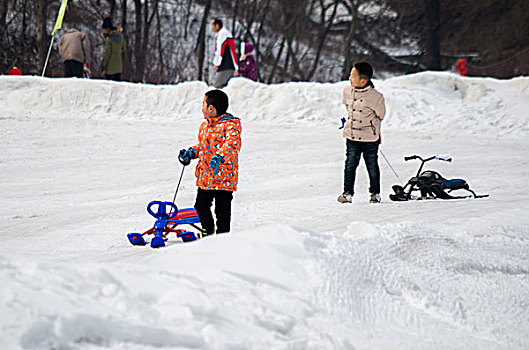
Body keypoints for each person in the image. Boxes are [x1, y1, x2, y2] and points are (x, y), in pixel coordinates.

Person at [178, 90, 242, 235]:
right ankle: (208, 230)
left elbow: (232, 144)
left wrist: (219, 156)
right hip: (206, 177)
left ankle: (223, 236)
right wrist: (191, 152)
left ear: (211, 108)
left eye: (203, 105)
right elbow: (203, 147)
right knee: (200, 206)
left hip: (224, 178)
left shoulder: (231, 125)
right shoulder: (205, 127)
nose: (202, 108)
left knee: (222, 211)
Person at [338, 62, 386, 204]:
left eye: (353, 75)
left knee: (371, 165)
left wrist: (370, 126)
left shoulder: (376, 97)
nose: (349, 78)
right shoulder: (347, 91)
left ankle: (375, 193)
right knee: (350, 164)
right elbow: (348, 107)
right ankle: (347, 193)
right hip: (352, 135)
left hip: (369, 138)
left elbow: (381, 115)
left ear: (363, 80)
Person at [211, 18, 238, 88]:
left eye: (212, 25)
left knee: (217, 86)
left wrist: (216, 63)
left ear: (217, 25)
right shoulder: (225, 33)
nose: (212, 27)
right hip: (229, 65)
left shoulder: (222, 34)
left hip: (226, 65)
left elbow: (219, 49)